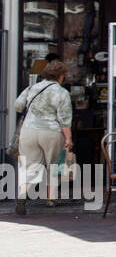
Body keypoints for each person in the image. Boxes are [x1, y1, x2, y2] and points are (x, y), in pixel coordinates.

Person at [14, 60, 74, 214]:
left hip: (29, 131)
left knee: (30, 166)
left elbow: (18, 106)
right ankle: (51, 199)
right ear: (61, 76)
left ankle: (22, 195)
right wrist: (68, 139)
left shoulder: (32, 88)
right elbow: (64, 119)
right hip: (51, 132)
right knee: (55, 165)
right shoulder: (61, 93)